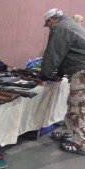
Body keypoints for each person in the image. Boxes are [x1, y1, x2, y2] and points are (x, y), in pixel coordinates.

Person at [40, 8, 85, 155]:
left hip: (82, 72)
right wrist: (59, 73)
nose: (49, 28)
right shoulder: (70, 24)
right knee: (73, 103)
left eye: (48, 25)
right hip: (79, 70)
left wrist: (44, 76)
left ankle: (81, 145)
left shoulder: (60, 28)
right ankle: (67, 132)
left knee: (79, 108)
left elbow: (53, 54)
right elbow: (66, 54)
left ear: (51, 20)